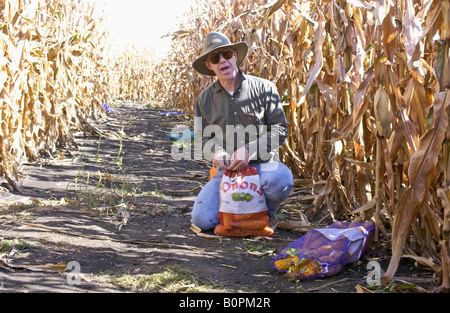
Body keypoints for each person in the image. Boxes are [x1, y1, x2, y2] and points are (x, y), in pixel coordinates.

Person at [191, 32, 293, 230]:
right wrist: (217, 152)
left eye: (226, 54)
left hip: (263, 168)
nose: (222, 61)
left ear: (235, 55)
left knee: (281, 180)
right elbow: (200, 137)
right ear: (209, 65)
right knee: (201, 220)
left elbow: (280, 130)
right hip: (228, 173)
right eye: (214, 58)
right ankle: (237, 211)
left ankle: (264, 214)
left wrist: (249, 150)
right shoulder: (205, 99)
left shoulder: (264, 88)